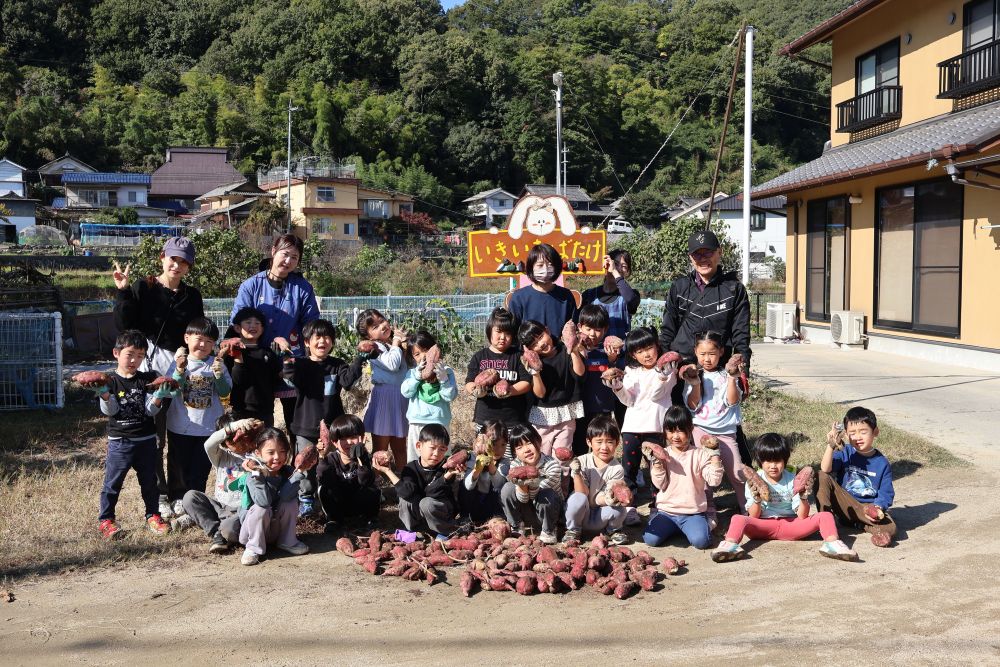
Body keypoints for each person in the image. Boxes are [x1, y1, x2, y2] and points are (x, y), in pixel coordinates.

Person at [113, 236, 204, 519]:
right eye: (172, 258)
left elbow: (194, 332)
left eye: (183, 261)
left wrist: (187, 355)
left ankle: (178, 493)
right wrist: (124, 291)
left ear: (189, 266)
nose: (176, 265)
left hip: (179, 368)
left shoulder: (192, 296)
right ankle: (160, 494)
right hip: (147, 368)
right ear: (162, 258)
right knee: (153, 436)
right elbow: (124, 325)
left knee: (178, 432)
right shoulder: (144, 287)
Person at [658, 229, 752, 463]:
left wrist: (742, 370)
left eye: (708, 252)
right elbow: (668, 328)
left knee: (724, 419)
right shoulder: (679, 287)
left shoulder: (734, 289)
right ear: (691, 258)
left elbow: (741, 333)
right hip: (683, 365)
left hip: (717, 367)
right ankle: (682, 471)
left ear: (719, 253)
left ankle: (743, 471)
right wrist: (662, 363)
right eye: (697, 254)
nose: (703, 259)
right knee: (679, 420)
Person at [712, 433, 858, 562]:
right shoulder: (754, 480)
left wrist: (803, 497)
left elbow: (802, 516)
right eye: (768, 461)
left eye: (777, 461)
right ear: (760, 461)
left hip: (791, 525)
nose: (773, 466)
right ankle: (730, 545)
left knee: (825, 516)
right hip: (763, 525)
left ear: (785, 460)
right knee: (738, 518)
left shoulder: (792, 479)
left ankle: (832, 544)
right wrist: (757, 498)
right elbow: (754, 516)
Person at [230, 234, 320, 433]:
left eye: (294, 257)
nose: (288, 261)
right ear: (273, 251)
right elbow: (237, 323)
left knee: (296, 425)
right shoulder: (251, 286)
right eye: (285, 254)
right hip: (257, 364)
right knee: (258, 425)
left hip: (290, 363)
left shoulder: (303, 288)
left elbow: (312, 325)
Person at [94, 330, 174, 539]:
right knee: (113, 483)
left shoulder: (147, 379)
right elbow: (110, 411)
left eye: (140, 356)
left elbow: (150, 411)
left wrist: (159, 396)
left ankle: (153, 515)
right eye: (130, 354)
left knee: (150, 482)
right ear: (116, 353)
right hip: (120, 441)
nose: (134, 360)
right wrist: (104, 394)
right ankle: (106, 520)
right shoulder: (109, 381)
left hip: (146, 440)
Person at [281, 318, 365, 516]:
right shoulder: (301, 365)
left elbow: (347, 380)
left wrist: (360, 358)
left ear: (333, 342)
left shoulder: (337, 365)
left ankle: (335, 492)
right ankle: (306, 497)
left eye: (328, 337)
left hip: (334, 425)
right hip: (305, 425)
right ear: (307, 342)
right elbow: (289, 374)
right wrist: (285, 357)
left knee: (336, 460)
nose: (323, 341)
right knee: (306, 463)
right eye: (317, 337)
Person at [165, 317, 232, 515]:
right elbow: (172, 391)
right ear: (187, 338)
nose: (203, 344)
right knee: (178, 465)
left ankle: (195, 500)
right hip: (180, 426)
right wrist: (179, 370)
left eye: (209, 341)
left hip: (208, 428)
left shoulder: (217, 364)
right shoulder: (178, 362)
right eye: (198, 338)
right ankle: (177, 498)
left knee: (200, 468)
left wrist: (218, 376)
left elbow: (225, 393)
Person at [609, 327, 677, 521]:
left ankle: (658, 504)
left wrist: (662, 375)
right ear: (633, 354)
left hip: (656, 426)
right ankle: (629, 506)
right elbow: (628, 401)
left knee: (658, 467)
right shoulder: (631, 371)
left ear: (657, 346)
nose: (646, 354)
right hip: (632, 427)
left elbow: (658, 395)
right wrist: (618, 387)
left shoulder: (669, 369)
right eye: (640, 351)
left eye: (649, 348)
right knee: (629, 468)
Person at [683, 330, 747, 521]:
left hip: (726, 433)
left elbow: (732, 401)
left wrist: (732, 377)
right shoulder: (693, 375)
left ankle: (748, 506)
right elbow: (693, 405)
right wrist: (695, 383)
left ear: (721, 352)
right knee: (703, 473)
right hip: (700, 431)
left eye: (712, 353)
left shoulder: (728, 374)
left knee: (736, 473)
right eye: (702, 354)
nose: (707, 359)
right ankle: (707, 508)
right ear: (695, 352)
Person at [643, 406, 723, 549]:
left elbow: (714, 481)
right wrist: (656, 464)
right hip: (667, 512)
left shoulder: (700, 454)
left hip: (692, 513)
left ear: (690, 428)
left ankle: (704, 521)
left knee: (701, 542)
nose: (675, 436)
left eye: (680, 430)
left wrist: (715, 456)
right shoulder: (661, 454)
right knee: (650, 539)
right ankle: (677, 528)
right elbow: (659, 484)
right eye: (671, 431)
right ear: (665, 431)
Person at [817, 407, 897, 547]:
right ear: (847, 435)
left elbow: (886, 493)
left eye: (863, 432)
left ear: (875, 432)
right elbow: (825, 469)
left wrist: (877, 508)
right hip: (844, 504)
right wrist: (831, 446)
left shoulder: (882, 463)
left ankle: (859, 524)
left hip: (865, 509)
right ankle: (825, 521)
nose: (858, 437)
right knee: (821, 476)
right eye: (852, 433)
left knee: (891, 528)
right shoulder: (846, 452)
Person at [238, 427, 315, 566]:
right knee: (261, 509)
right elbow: (263, 501)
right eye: (270, 452)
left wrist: (300, 472)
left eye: (282, 452)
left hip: (275, 530)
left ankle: (287, 541)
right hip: (251, 533)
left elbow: (286, 496)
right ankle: (253, 548)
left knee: (290, 502)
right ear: (258, 453)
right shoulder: (252, 475)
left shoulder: (289, 472)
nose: (277, 457)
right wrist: (257, 474)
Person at [180, 414, 255, 553]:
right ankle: (216, 532)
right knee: (190, 497)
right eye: (232, 439)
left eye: (242, 437)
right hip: (220, 508)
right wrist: (233, 426)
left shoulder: (255, 454)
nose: (239, 443)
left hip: (242, 511)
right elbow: (208, 443)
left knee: (230, 526)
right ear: (223, 442)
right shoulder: (220, 455)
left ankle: (225, 533)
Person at [375, 424, 463, 539]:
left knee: (427, 503)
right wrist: (388, 471)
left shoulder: (447, 468)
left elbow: (432, 493)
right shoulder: (410, 468)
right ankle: (415, 530)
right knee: (405, 499)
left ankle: (445, 530)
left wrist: (448, 475)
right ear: (419, 446)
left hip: (440, 511)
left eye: (441, 449)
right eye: (432, 448)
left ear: (446, 450)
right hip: (420, 512)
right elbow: (406, 493)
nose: (436, 454)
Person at [518, 319, 585, 456]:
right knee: (542, 455)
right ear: (529, 349)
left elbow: (580, 373)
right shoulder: (531, 362)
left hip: (566, 412)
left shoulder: (564, 349)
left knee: (563, 457)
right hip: (543, 415)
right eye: (534, 344)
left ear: (547, 330)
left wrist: (573, 349)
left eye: (541, 337)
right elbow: (540, 394)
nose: (541, 343)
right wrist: (535, 372)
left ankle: (563, 478)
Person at [563, 415, 630, 545]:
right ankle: (573, 530)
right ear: (589, 442)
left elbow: (602, 498)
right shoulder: (581, 461)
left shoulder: (617, 468)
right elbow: (582, 493)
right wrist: (576, 473)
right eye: (599, 442)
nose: (604, 447)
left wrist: (610, 498)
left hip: (600, 515)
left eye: (610, 442)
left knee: (619, 509)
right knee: (578, 498)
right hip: (581, 513)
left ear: (617, 443)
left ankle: (612, 530)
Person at [356, 309, 409, 470]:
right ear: (368, 337)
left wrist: (402, 344)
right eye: (375, 327)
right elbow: (393, 365)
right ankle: (377, 484)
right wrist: (396, 342)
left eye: (382, 321)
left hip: (400, 397)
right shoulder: (374, 348)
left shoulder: (391, 344)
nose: (382, 326)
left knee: (400, 447)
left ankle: (402, 481)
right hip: (384, 399)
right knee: (381, 449)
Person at [464, 308, 531, 431]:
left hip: (512, 420)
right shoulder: (479, 356)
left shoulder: (518, 356)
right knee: (485, 450)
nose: (502, 337)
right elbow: (468, 382)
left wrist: (510, 390)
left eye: (508, 333)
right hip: (485, 420)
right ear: (489, 331)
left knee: (509, 450)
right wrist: (475, 390)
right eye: (498, 331)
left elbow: (527, 383)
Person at [571, 304, 624, 456]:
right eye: (588, 329)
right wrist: (579, 352)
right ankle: (579, 477)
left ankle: (603, 475)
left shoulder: (609, 350)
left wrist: (612, 359)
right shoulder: (575, 349)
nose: (593, 334)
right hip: (581, 408)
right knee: (580, 447)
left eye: (598, 330)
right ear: (580, 327)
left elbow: (617, 376)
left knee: (602, 446)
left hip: (604, 408)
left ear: (605, 329)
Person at [316, 414, 381, 533]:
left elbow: (365, 481)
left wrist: (361, 459)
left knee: (373, 488)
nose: (349, 442)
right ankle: (333, 520)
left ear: (362, 438)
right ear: (335, 442)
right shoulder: (331, 459)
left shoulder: (365, 458)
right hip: (339, 504)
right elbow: (324, 479)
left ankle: (371, 518)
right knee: (324, 489)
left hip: (358, 503)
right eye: (344, 438)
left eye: (354, 437)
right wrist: (322, 457)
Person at [500, 423, 563, 544]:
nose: (526, 450)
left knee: (547, 494)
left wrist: (530, 481)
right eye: (519, 447)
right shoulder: (515, 465)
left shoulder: (552, 466)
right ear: (514, 452)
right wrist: (521, 485)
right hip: (527, 512)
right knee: (507, 488)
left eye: (529, 443)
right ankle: (517, 526)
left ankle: (549, 530)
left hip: (549, 513)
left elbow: (537, 495)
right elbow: (523, 500)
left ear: (538, 442)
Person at [401, 330, 458, 463]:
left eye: (426, 350)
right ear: (412, 358)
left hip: (439, 422)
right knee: (416, 458)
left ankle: (442, 481)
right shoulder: (412, 373)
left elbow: (449, 396)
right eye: (417, 354)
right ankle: (415, 481)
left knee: (441, 458)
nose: (423, 356)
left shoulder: (447, 371)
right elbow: (405, 392)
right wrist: (417, 376)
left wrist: (443, 379)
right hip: (417, 422)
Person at [224, 307, 283, 425]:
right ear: (237, 328)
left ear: (263, 329)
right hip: (240, 409)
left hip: (265, 410)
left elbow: (276, 379)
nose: (253, 326)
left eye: (257, 323)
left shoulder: (269, 352)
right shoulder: (231, 352)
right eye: (248, 322)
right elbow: (236, 380)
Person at [507, 243, 578, 336]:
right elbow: (512, 332)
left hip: (560, 350)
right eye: (540, 265)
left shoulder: (566, 296)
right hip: (527, 350)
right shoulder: (519, 298)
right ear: (531, 268)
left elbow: (574, 329)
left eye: (550, 265)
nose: (545, 269)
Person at [581, 250, 641, 344]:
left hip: (621, 354)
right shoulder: (589, 295)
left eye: (624, 266)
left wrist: (614, 272)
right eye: (615, 264)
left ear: (628, 271)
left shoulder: (630, 294)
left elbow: (630, 299)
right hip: (592, 354)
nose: (619, 268)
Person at [460, 420, 510, 523]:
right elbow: (468, 486)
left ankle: (498, 519)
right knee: (463, 484)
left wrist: (491, 463)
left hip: (493, 507)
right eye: (494, 444)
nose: (499, 449)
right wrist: (477, 469)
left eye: (503, 444)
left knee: (505, 485)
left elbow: (499, 485)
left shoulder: (504, 462)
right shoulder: (472, 458)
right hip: (475, 504)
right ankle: (466, 519)